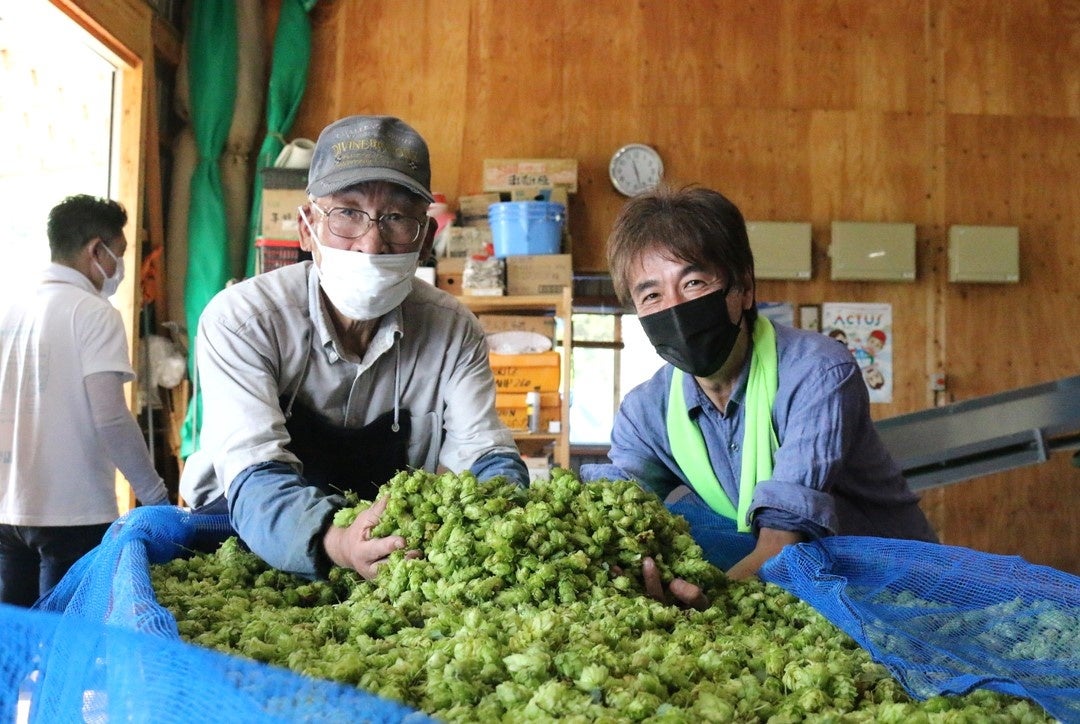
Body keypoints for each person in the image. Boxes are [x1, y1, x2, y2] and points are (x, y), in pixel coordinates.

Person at [180, 115, 528, 581]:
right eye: (346, 213)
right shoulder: (244, 320)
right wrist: (338, 541)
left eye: (397, 218)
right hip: (241, 532)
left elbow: (484, 454)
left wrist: (499, 520)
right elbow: (253, 471)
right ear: (307, 227)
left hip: (394, 552)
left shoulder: (453, 331)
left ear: (422, 239)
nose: (371, 244)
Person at [582, 185, 937, 600]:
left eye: (694, 282)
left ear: (744, 289)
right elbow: (617, 512)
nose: (675, 308)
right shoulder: (647, 412)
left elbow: (779, 544)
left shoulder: (818, 371)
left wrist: (708, 610)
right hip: (781, 592)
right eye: (652, 294)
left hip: (894, 589)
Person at [0, 195, 170, 607]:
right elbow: (110, 417)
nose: (118, 269)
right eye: (119, 255)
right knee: (68, 645)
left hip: (7, 511)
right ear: (97, 250)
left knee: (16, 646)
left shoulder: (11, 309)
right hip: (73, 515)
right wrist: (155, 496)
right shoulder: (94, 313)